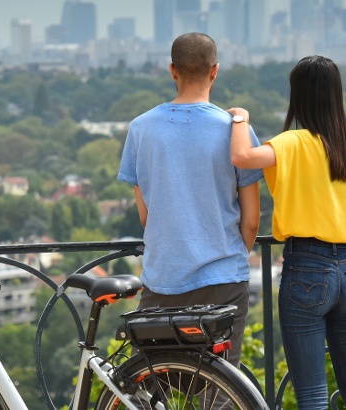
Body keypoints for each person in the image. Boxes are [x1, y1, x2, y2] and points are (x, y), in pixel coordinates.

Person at [227, 55, 346, 410]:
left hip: (306, 269)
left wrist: (240, 116)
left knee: (312, 396)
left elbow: (241, 156)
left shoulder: (291, 143)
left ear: (297, 95)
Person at [117, 32, 264, 368]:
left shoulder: (140, 129)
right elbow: (252, 220)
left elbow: (146, 216)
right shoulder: (236, 129)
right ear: (215, 71)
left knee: (156, 385)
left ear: (172, 71)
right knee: (223, 389)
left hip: (163, 278)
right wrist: (228, 256)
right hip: (224, 278)